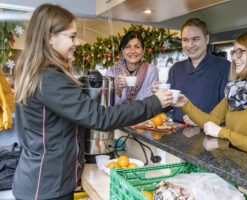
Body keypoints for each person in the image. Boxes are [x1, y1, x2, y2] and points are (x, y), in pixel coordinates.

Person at [12, 4, 173, 200]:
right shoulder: (49, 79)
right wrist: (153, 103)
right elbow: (100, 118)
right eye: (71, 36)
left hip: (42, 181)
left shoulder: (41, 74)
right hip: (46, 187)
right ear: (49, 38)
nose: (77, 42)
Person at [174, 30, 247, 162]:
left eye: (240, 52)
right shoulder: (236, 90)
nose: (234, 58)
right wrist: (184, 104)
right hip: (231, 165)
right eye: (234, 52)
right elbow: (211, 120)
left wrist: (223, 133)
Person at [151, 18, 230, 124]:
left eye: (195, 39)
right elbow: (168, 105)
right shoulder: (176, 69)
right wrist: (159, 96)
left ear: (206, 39)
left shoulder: (225, 67)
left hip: (208, 136)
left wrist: (201, 121)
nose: (190, 45)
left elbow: (228, 114)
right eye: (185, 40)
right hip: (177, 134)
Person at [106, 31, 159, 104]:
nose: (133, 51)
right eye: (128, 47)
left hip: (142, 115)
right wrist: (118, 91)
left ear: (143, 50)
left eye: (137, 47)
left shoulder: (151, 71)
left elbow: (150, 103)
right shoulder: (112, 71)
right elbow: (108, 105)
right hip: (119, 115)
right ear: (122, 50)